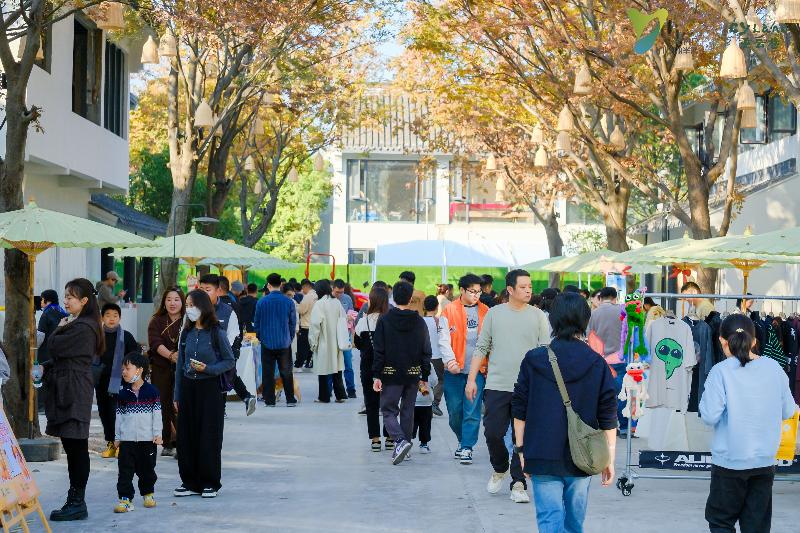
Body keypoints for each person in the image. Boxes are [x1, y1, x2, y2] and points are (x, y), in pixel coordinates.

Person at [512, 292, 618, 532]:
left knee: (549, 520)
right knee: (573, 523)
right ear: (585, 320)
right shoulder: (596, 362)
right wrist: (609, 458)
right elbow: (608, 414)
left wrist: (521, 450)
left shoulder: (534, 359)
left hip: (541, 453)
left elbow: (519, 408)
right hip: (583, 456)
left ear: (553, 319)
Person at [700, 314, 797, 532]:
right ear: (754, 341)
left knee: (721, 522)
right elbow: (789, 411)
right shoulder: (774, 368)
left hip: (729, 462)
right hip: (764, 461)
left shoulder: (720, 371)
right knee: (757, 526)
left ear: (722, 341)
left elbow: (709, 416)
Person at [466, 269, 550, 504]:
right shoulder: (494, 314)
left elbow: (545, 351)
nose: (528, 290)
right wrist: (471, 379)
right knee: (492, 432)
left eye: (530, 286)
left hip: (528, 387)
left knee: (521, 438)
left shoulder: (538, 316)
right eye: (523, 287)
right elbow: (482, 347)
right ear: (510, 290)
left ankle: (519, 483)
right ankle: (499, 467)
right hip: (497, 384)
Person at [44, 278, 104, 521]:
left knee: (77, 446)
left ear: (84, 300)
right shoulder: (79, 323)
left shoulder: (84, 326)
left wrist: (60, 327)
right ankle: (75, 500)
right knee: (72, 446)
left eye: (71, 297)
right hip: (69, 385)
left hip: (74, 388)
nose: (66, 300)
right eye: (66, 296)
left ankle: (77, 502)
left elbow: (54, 346)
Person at [173, 289, 235, 499]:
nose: (188, 309)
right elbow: (180, 366)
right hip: (188, 387)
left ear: (203, 307)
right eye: (187, 305)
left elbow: (229, 361)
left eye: (192, 305)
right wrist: (177, 395)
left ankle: (210, 482)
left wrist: (208, 369)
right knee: (186, 436)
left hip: (210, 389)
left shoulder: (217, 332)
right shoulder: (186, 333)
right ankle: (189, 481)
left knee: (209, 435)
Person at [372, 281, 432, 465]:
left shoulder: (385, 320)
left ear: (393, 297)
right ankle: (405, 448)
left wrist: (376, 374)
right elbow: (426, 350)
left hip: (390, 373)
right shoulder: (419, 321)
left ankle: (400, 441)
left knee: (388, 410)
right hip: (412, 373)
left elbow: (379, 350)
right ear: (410, 298)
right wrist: (424, 375)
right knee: (408, 411)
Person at [439, 273, 489, 465]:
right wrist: (450, 360)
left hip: (477, 372)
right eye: (472, 291)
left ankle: (467, 446)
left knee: (472, 411)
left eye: (479, 292)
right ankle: (462, 439)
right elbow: (443, 339)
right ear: (462, 290)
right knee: (454, 413)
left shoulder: (486, 312)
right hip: (454, 372)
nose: (476, 295)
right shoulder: (449, 310)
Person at [198, 274, 256, 416]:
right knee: (228, 376)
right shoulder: (195, 309)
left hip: (223, 354)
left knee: (224, 376)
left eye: (207, 289)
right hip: (200, 358)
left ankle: (223, 408)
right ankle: (245, 397)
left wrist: (223, 352)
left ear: (218, 290)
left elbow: (233, 334)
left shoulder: (228, 310)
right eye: (201, 289)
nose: (203, 293)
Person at [113, 352, 162, 513]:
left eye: (127, 368)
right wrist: (117, 437)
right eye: (122, 369)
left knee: (147, 470)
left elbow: (157, 415)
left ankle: (148, 494)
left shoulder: (152, 391)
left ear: (139, 370)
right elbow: (119, 417)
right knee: (124, 472)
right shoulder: (123, 394)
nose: (124, 372)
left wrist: (157, 434)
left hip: (147, 441)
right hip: (127, 441)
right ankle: (125, 499)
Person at [97, 303, 140, 459]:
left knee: (118, 413)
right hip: (101, 382)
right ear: (102, 318)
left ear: (120, 318)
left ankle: (121, 444)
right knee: (104, 413)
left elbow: (135, 356)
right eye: (108, 315)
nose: (112, 319)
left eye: (115, 315)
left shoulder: (126, 336)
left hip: (121, 383)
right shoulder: (96, 336)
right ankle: (111, 443)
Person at [147, 286, 185, 457]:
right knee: (162, 405)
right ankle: (167, 442)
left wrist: (180, 357)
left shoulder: (188, 320)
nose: (172, 303)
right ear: (164, 302)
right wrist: (170, 355)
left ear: (183, 302)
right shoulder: (156, 321)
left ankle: (183, 443)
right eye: (169, 299)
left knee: (179, 405)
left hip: (182, 370)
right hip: (161, 368)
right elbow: (155, 343)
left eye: (176, 299)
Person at [354, 286, 391, 451]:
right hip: (388, 368)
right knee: (389, 402)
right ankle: (390, 437)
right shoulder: (390, 321)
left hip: (368, 367)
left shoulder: (363, 321)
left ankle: (375, 440)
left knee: (371, 403)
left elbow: (358, 344)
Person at [587, 287, 628, 435]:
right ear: (615, 298)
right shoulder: (623, 311)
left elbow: (589, 336)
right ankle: (624, 427)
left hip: (601, 360)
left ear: (600, 298)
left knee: (604, 394)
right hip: (620, 359)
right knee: (622, 393)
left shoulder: (594, 313)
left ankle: (608, 426)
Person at [254, 273, 298, 407]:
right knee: (286, 372)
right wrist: (289, 337)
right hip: (284, 342)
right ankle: (290, 399)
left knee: (268, 372)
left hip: (267, 342)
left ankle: (269, 400)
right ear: (281, 285)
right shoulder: (288, 302)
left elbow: (257, 323)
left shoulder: (261, 302)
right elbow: (292, 323)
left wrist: (261, 337)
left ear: (268, 285)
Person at [309, 279, 348, 402]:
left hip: (323, 341)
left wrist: (313, 342)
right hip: (336, 341)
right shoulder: (336, 302)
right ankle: (340, 395)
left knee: (323, 371)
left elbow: (315, 325)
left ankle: (324, 397)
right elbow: (343, 319)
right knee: (337, 370)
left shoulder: (319, 304)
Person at [332, 278, 357, 397]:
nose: (339, 295)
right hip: (332, 336)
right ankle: (329, 390)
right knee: (332, 365)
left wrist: (351, 321)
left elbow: (352, 314)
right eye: (337, 292)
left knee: (348, 364)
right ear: (332, 289)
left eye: (341, 292)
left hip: (345, 336)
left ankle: (351, 390)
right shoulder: (328, 300)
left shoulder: (347, 298)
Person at [422, 296, 446, 417]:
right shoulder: (440, 321)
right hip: (437, 356)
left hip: (423, 357)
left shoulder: (419, 321)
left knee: (424, 380)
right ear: (437, 307)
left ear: (424, 307)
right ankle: (435, 402)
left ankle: (425, 402)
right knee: (440, 380)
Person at [412, 355, 438, 454]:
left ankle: (407, 442)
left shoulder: (408, 363)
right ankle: (424, 444)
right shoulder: (428, 365)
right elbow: (434, 381)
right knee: (425, 424)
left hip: (411, 401)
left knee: (410, 424)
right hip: (426, 402)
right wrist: (426, 383)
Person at [37, 289, 67, 364]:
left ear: (48, 301)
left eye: (42, 299)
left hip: (46, 353)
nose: (40, 301)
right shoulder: (63, 312)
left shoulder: (46, 313)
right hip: (61, 352)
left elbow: (40, 336)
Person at [295, 279, 318, 369]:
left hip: (306, 325)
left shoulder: (308, 297)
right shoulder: (316, 295)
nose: (302, 290)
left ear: (306, 286)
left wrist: (296, 305)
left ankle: (299, 364)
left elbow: (301, 310)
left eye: (303, 288)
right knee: (310, 347)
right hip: (314, 325)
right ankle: (309, 362)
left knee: (302, 346)